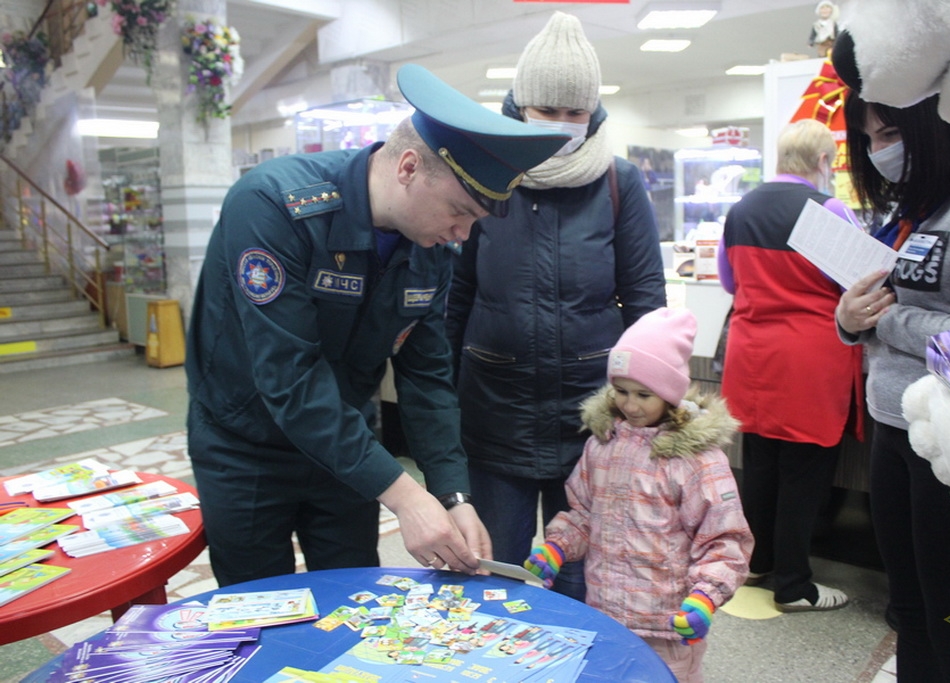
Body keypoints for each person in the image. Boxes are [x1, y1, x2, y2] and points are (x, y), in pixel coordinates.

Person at [184, 64, 572, 587]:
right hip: (246, 446)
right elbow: (291, 379)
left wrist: (452, 494)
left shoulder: (431, 245)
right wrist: (406, 496)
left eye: (474, 221)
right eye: (458, 211)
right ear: (408, 167)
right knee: (255, 610)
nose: (462, 233)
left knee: (351, 602)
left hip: (345, 450)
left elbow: (428, 377)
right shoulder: (275, 206)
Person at [444, 11, 666, 602]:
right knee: (496, 578)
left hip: (592, 424)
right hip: (494, 417)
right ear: (520, 109)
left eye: (576, 113)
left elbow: (647, 305)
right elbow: (456, 297)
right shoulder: (487, 180)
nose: (563, 125)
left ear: (592, 113)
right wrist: (440, 398)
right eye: (548, 111)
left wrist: (649, 410)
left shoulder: (619, 183)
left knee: (579, 582)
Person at [835, 89, 950, 681]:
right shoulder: (924, 200)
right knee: (911, 611)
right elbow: (887, 308)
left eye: (890, 134)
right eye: (870, 138)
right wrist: (849, 320)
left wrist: (891, 322)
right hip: (896, 424)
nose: (879, 151)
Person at [523, 307, 752, 682]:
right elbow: (583, 514)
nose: (629, 405)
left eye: (644, 394)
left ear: (670, 393)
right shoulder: (603, 445)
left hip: (668, 627)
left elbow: (724, 539)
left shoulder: (696, 460)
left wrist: (706, 596)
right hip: (606, 614)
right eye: (622, 391)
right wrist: (557, 547)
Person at [717, 118, 864, 612]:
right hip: (809, 359)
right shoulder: (829, 211)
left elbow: (729, 282)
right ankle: (796, 585)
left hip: (750, 355)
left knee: (759, 466)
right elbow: (860, 286)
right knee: (803, 474)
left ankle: (759, 563)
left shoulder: (739, 210)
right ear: (824, 163)